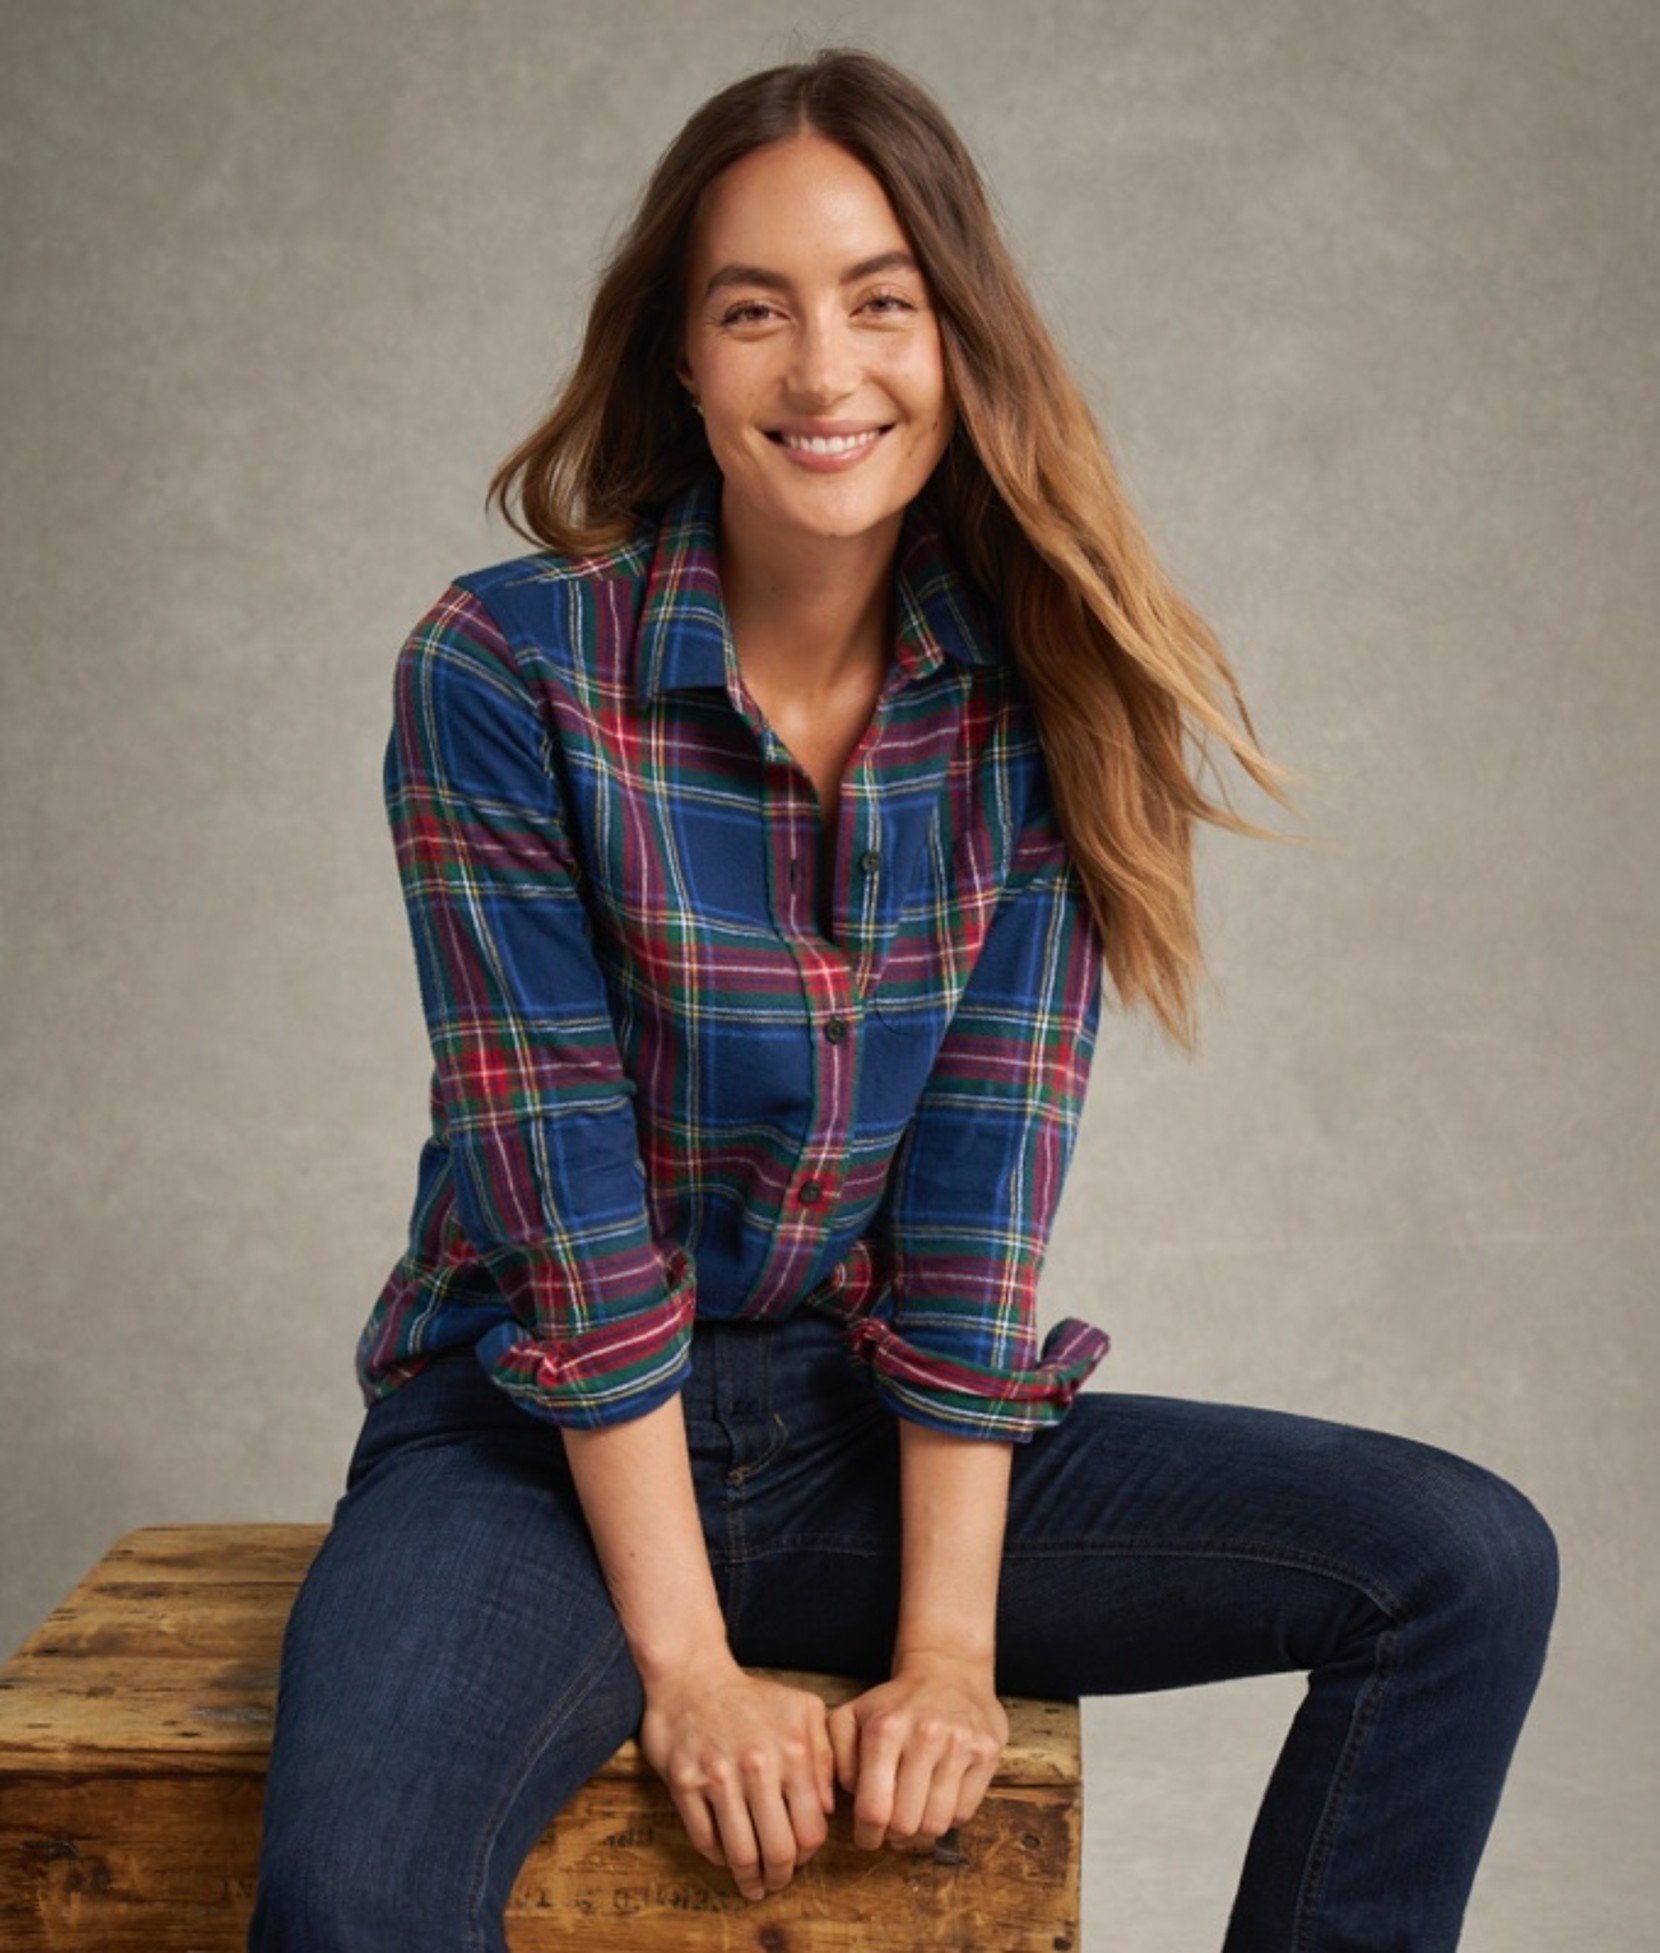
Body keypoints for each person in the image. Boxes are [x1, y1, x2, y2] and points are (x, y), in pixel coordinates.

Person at [246, 46, 1558, 1953]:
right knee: (348, 1897)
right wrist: (687, 1666)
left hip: (853, 1430)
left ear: (958, 341)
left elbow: (973, 1210)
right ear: (682, 362)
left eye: (883, 301)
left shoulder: (1034, 702)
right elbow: (570, 1209)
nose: (822, 368)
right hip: (527, 1439)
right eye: (753, 310)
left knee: (1460, 1562)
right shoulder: (506, 668)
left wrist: (949, 1650)